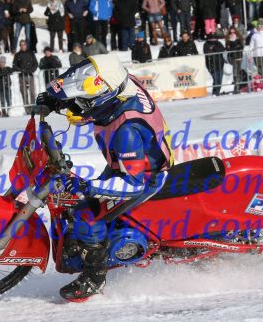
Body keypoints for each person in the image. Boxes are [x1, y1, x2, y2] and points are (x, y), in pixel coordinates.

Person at [35, 54, 174, 301]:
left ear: (103, 100)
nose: (79, 106)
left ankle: (94, 277)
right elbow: (89, 87)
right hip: (130, 161)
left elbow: (133, 184)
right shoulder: (118, 81)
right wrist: (56, 99)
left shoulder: (126, 131)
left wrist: (88, 187)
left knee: (86, 213)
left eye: (83, 102)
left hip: (144, 177)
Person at [12, 40, 38, 112]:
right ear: (20, 46)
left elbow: (36, 63)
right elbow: (14, 65)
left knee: (32, 92)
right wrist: (21, 70)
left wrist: (32, 70)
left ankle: (33, 108)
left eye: (24, 45)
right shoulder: (17, 55)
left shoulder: (31, 53)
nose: (23, 46)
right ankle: (27, 109)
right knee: (24, 93)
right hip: (22, 76)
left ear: (26, 45)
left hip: (30, 75)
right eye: (21, 45)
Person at [226, 26, 245, 93]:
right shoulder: (228, 39)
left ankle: (239, 85)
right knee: (235, 70)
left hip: (239, 56)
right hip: (232, 57)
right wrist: (236, 47)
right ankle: (236, 85)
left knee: (238, 70)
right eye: (231, 31)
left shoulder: (239, 38)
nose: (232, 33)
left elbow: (241, 46)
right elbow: (227, 48)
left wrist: (233, 48)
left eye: (233, 31)